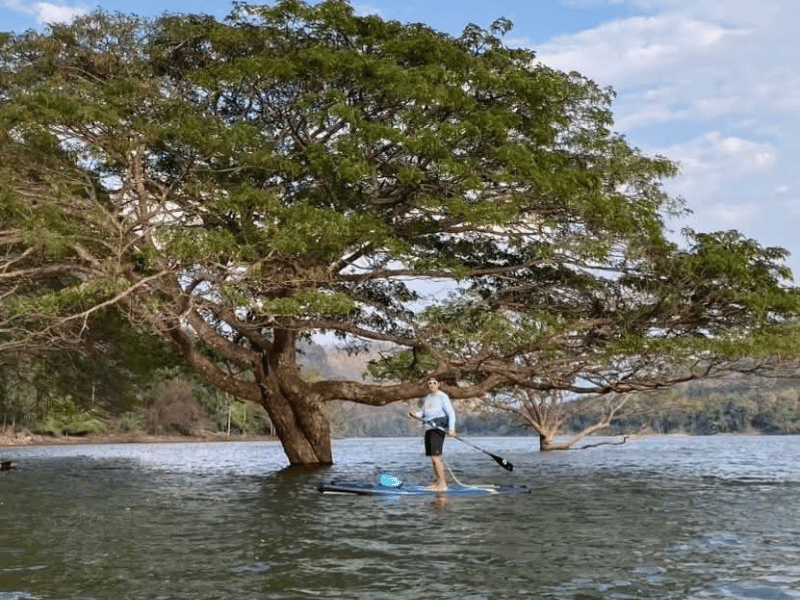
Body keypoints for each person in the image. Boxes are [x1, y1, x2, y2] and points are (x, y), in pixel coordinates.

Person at [410, 377, 456, 492]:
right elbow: (424, 413)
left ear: (438, 384)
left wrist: (451, 429)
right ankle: (437, 482)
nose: (432, 385)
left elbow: (451, 413)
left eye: (434, 383)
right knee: (432, 458)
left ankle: (443, 484)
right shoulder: (428, 398)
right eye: (429, 383)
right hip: (428, 429)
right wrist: (416, 414)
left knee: (436, 456)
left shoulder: (442, 397)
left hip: (438, 429)